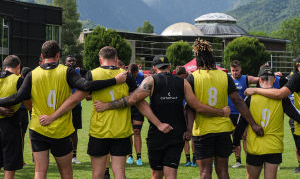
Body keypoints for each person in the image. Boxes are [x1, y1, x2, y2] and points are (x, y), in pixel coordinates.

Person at [0, 41, 127, 179]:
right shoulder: (66, 71)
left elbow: (16, 98)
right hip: (61, 130)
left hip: (38, 128)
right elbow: (85, 85)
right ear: (58, 55)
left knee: (39, 172)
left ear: (42, 56)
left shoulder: (32, 74)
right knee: (66, 173)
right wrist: (114, 80)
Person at [91, 54, 232, 179]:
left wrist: (106, 105)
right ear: (170, 66)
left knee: (156, 175)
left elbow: (134, 100)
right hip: (177, 134)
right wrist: (218, 113)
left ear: (154, 67)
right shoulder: (183, 82)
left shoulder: (150, 81)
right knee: (171, 175)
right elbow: (196, 107)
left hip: (156, 135)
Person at [39, 46, 137, 179]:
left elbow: (75, 99)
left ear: (100, 60)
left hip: (99, 130)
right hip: (122, 130)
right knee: (119, 173)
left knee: (97, 174)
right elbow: (134, 99)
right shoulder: (127, 76)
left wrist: (52, 116)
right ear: (116, 59)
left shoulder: (93, 74)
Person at [185, 39, 264, 179]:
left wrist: (189, 129)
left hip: (202, 132)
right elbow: (239, 101)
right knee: (223, 172)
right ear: (212, 57)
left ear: (197, 59)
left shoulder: (193, 78)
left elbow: (190, 108)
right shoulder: (225, 76)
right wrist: (253, 123)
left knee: (205, 173)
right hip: (223, 130)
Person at [233, 66, 300, 179]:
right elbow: (297, 116)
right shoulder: (282, 98)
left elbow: (241, 123)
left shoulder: (250, 98)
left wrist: (235, 142)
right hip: (274, 147)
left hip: (255, 147)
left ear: (259, 79)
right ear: (274, 80)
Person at [0, 55, 32, 179]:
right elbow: (29, 106)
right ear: (18, 66)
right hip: (10, 126)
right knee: (10, 166)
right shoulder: (19, 81)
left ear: (4, 66)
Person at [228, 60, 260, 168]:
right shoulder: (227, 79)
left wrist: (274, 74)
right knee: (234, 136)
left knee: (245, 136)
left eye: (236, 70)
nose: (234, 73)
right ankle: (238, 161)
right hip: (229, 113)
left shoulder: (246, 79)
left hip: (242, 113)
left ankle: (248, 160)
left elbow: (261, 78)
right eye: (232, 71)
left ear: (240, 69)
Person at [64, 55, 87, 165]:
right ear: (65, 62)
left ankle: (74, 156)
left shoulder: (80, 72)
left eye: (73, 61)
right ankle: (62, 155)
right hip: (63, 105)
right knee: (62, 131)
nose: (72, 62)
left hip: (76, 105)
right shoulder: (62, 72)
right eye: (69, 61)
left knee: (74, 131)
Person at [175, 66, 197, 167]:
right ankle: (188, 159)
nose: (182, 79)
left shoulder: (190, 82)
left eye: (183, 77)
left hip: (191, 111)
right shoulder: (175, 84)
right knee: (185, 137)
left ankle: (194, 159)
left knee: (193, 136)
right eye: (180, 77)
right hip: (181, 112)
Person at [127, 63, 145, 166]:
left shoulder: (143, 77)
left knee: (137, 131)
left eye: (134, 76)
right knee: (129, 132)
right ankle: (130, 155)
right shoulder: (125, 77)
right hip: (127, 108)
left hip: (138, 108)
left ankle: (139, 157)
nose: (132, 78)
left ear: (137, 73)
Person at [19, 67, 32, 166]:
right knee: (20, 137)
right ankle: (20, 160)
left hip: (23, 112)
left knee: (21, 137)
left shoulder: (29, 84)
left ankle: (21, 160)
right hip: (20, 111)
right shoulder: (19, 83)